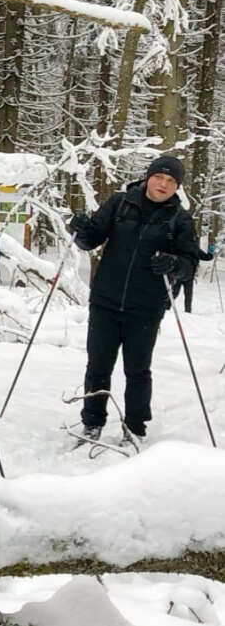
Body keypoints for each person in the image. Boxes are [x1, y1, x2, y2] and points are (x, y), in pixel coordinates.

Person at [70, 154, 200, 440]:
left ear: (176, 186)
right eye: (159, 177)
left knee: (137, 370)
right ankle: (92, 422)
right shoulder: (121, 203)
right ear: (148, 177)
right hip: (106, 300)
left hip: (146, 306)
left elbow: (190, 265)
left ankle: (135, 427)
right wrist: (79, 228)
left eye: (170, 181)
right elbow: (90, 239)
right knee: (98, 365)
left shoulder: (179, 219)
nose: (163, 184)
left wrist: (174, 264)